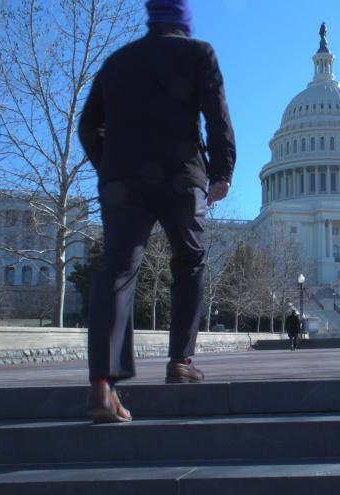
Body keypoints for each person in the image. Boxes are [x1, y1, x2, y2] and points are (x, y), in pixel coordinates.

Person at [79, 0, 236, 423]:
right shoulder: (197, 53)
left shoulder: (117, 61)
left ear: (152, 17)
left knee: (118, 269)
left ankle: (102, 385)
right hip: (181, 176)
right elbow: (217, 118)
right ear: (184, 19)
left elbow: (87, 125)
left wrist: (110, 167)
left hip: (122, 181)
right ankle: (180, 361)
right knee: (190, 261)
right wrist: (221, 172)